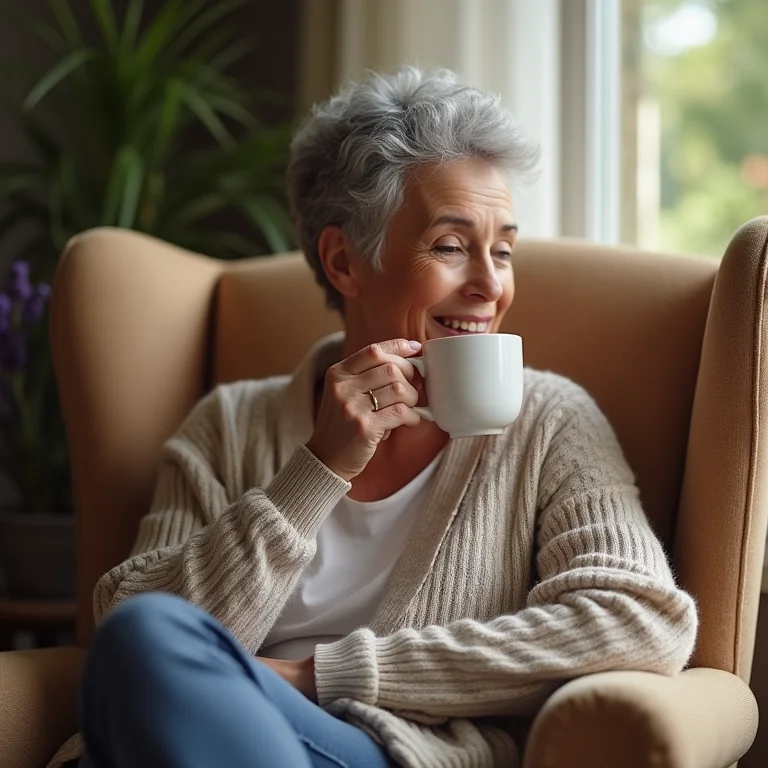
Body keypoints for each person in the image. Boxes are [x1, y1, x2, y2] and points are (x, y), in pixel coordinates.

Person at [52, 67, 697, 768]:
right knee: (145, 636)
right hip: (212, 739)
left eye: (504, 249)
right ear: (344, 261)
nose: (490, 284)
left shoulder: (550, 423)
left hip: (393, 752)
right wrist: (315, 472)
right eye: (451, 246)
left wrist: (319, 676)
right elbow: (126, 623)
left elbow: (637, 619)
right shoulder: (230, 425)